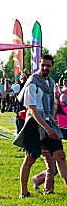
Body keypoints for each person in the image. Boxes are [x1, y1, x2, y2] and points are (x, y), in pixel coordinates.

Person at [13, 55, 67, 198]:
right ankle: (23, 192)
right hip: (34, 124)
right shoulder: (32, 83)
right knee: (30, 159)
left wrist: (52, 121)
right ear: (39, 64)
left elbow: (50, 104)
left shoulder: (51, 83)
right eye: (43, 65)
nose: (45, 68)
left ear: (52, 67)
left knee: (60, 156)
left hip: (48, 121)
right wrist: (47, 129)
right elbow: (32, 109)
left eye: (48, 66)